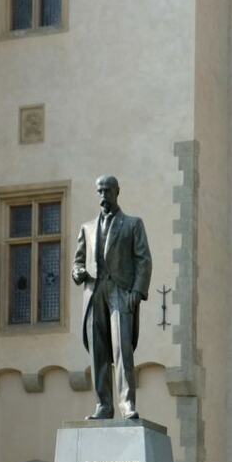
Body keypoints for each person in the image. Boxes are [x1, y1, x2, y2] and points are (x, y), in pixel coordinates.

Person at [71, 175, 153, 420]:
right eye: (100, 191)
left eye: (107, 191)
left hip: (120, 292)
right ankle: (103, 405)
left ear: (118, 192)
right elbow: (77, 261)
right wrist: (77, 272)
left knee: (122, 350)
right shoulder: (86, 228)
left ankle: (126, 403)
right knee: (98, 353)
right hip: (94, 292)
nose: (103, 196)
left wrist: (137, 292)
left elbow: (144, 260)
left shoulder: (132, 224)